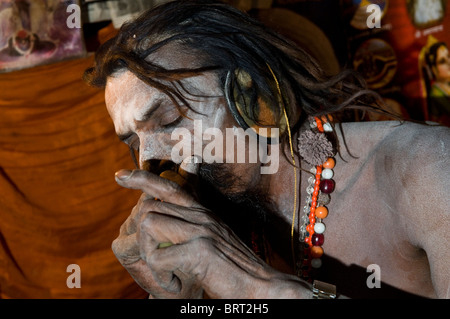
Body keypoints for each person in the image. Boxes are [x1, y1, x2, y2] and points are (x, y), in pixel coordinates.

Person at [84, 0, 450, 299]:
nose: (150, 158)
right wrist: (181, 295)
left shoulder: (425, 165)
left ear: (255, 94)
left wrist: (253, 285)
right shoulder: (221, 219)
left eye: (167, 120)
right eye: (133, 142)